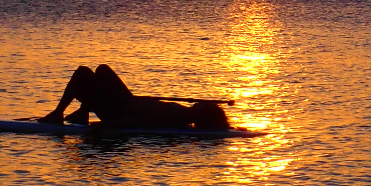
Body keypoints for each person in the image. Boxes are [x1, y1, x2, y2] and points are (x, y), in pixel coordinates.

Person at [37, 64, 231, 131]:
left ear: (203, 114)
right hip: (124, 103)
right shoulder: (183, 113)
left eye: (205, 106)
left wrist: (107, 125)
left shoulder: (178, 118)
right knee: (101, 70)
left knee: (85, 73)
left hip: (118, 111)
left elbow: (142, 121)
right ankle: (81, 111)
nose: (201, 103)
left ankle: (59, 113)